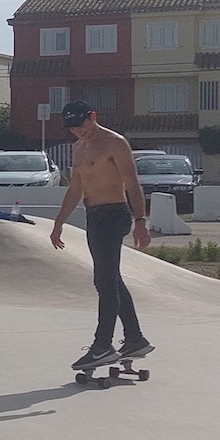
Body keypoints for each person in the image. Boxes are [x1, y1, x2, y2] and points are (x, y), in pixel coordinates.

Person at [49, 100, 153, 370]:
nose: (79, 132)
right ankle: (135, 339)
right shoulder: (78, 148)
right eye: (72, 129)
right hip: (94, 217)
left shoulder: (114, 142)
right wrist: (59, 222)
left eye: (81, 125)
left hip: (114, 214)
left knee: (104, 282)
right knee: (112, 280)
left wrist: (141, 220)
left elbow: (132, 182)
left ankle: (102, 346)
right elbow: (76, 187)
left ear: (92, 116)